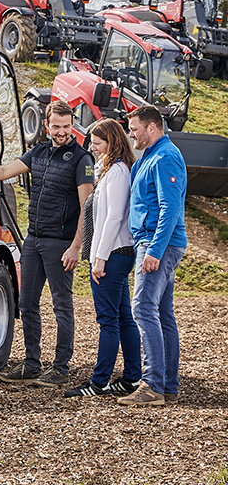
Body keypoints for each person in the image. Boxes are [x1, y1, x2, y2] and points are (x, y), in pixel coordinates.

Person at [0, 100, 94, 387]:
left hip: (60, 243)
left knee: (62, 305)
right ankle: (32, 364)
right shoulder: (38, 151)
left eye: (66, 126)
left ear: (72, 125)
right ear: (47, 125)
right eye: (56, 126)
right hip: (33, 239)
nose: (61, 132)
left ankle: (61, 369)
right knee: (26, 303)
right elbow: (4, 172)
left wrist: (76, 247)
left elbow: (86, 207)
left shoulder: (81, 159)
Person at [64, 118, 142, 397]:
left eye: (98, 143)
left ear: (112, 141)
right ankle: (132, 377)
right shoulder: (111, 170)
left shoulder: (119, 172)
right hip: (115, 253)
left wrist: (98, 258)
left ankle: (99, 382)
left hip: (112, 254)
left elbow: (114, 218)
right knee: (123, 317)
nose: (94, 148)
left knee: (108, 319)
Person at [117, 105, 187, 406]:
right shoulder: (150, 156)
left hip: (159, 244)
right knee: (162, 313)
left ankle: (152, 386)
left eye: (135, 129)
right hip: (154, 242)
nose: (131, 134)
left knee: (143, 309)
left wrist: (154, 250)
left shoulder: (165, 157)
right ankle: (167, 385)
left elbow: (170, 209)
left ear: (152, 128)